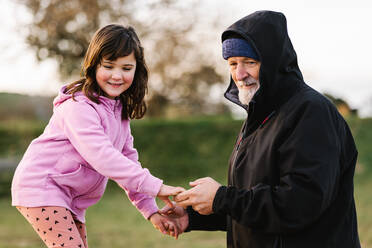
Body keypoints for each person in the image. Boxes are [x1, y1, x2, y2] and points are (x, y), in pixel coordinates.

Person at [161, 10, 361, 248]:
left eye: (250, 62)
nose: (239, 74)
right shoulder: (259, 117)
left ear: (275, 63)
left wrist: (223, 198)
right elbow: (254, 205)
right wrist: (195, 216)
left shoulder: (310, 112)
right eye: (233, 63)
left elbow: (299, 205)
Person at [11, 24, 184, 248]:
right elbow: (104, 157)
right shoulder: (78, 107)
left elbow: (128, 163)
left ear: (137, 70)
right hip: (43, 187)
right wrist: (158, 187)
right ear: (93, 65)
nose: (116, 75)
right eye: (109, 66)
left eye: (126, 68)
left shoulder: (119, 113)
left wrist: (151, 211)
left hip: (70, 197)